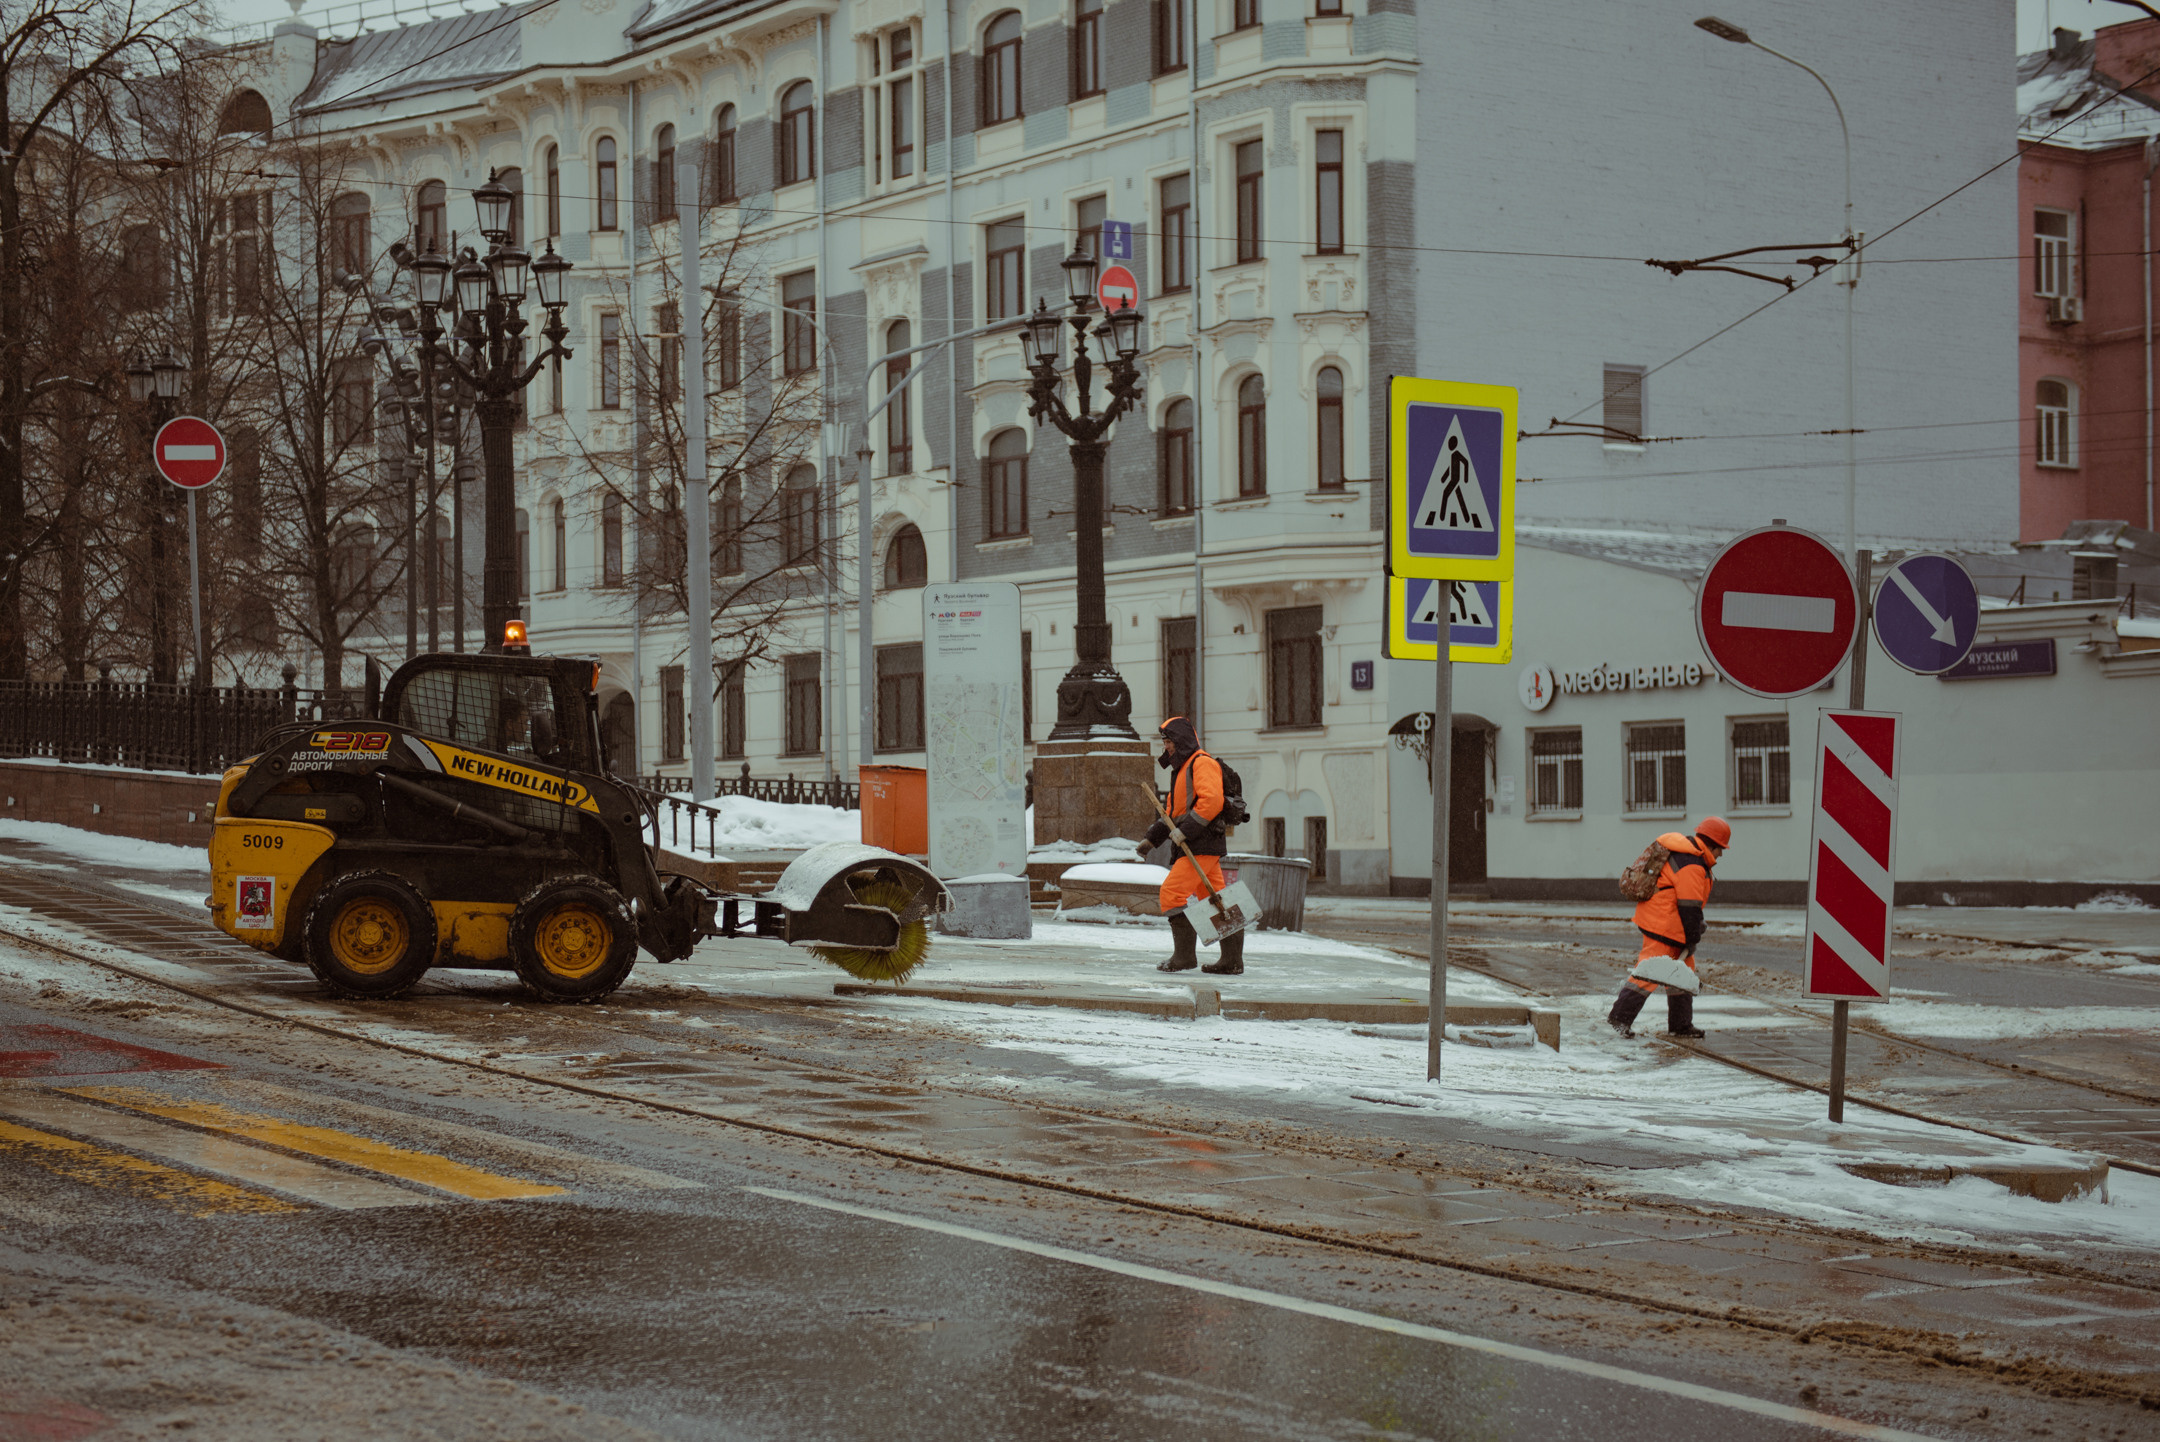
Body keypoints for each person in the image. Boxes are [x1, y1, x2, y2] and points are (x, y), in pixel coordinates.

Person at [1607, 816, 1732, 1040]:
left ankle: (1681, 1026)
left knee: (1683, 973)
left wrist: (1691, 934)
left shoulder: (1689, 856)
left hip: (1665, 921)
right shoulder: (1692, 863)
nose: (1721, 854)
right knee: (1648, 973)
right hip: (1664, 925)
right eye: (1720, 849)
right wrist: (1692, 937)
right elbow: (1689, 906)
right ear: (1712, 844)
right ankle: (1619, 1019)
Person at [1138, 716, 1243, 977]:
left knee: (1171, 893)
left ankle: (1184, 957)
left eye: (1168, 741)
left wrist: (1185, 833)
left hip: (1201, 843)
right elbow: (1172, 814)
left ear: (1180, 740)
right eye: (1164, 742)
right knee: (1216, 900)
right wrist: (1151, 840)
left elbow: (1212, 801)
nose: (1165, 747)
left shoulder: (1201, 763)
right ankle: (1231, 961)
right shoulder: (1183, 769)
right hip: (1198, 843)